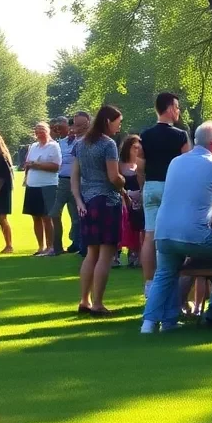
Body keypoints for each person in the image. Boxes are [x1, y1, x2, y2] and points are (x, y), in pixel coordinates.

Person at [142, 122, 212, 333]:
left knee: (165, 273)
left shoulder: (176, 162)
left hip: (164, 232)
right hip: (194, 234)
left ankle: (151, 324)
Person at [72, 105, 125, 315]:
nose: (119, 127)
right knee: (106, 254)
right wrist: (124, 183)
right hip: (107, 202)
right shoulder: (108, 144)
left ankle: (84, 300)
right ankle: (98, 303)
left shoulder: (80, 144)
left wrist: (78, 200)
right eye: (117, 122)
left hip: (87, 202)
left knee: (90, 254)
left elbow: (74, 176)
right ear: (107, 122)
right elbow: (114, 178)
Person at [139, 92, 191, 296]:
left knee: (150, 235)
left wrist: (144, 187)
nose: (178, 111)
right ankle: (172, 284)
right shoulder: (180, 135)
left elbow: (140, 167)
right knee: (174, 236)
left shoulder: (145, 135)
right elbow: (188, 165)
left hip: (151, 186)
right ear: (170, 108)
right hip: (172, 188)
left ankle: (150, 284)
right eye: (177, 107)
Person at [21, 121, 62, 255]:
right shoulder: (33, 146)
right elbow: (27, 163)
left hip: (48, 185)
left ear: (47, 131)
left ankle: (50, 246)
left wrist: (37, 165)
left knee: (46, 216)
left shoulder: (53, 146)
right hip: (32, 184)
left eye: (42, 131)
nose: (39, 134)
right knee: (35, 217)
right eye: (37, 131)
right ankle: (40, 247)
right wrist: (28, 171)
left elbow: (56, 167)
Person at [52, 112, 87, 255]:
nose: (72, 129)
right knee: (54, 212)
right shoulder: (61, 143)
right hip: (61, 180)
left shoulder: (82, 141)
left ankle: (76, 242)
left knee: (76, 215)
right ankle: (56, 245)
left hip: (76, 181)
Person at [118, 135, 144, 268]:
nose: (137, 150)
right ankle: (128, 253)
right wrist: (125, 195)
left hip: (139, 198)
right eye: (134, 147)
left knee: (139, 227)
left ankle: (138, 254)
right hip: (124, 198)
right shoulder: (120, 164)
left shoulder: (140, 163)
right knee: (126, 226)